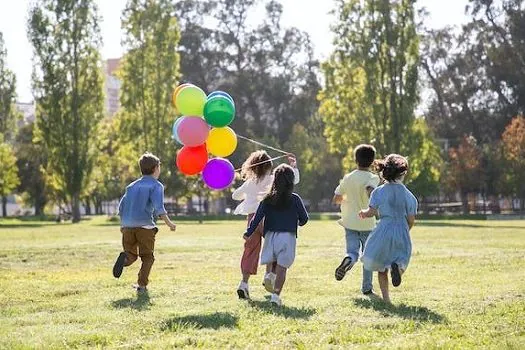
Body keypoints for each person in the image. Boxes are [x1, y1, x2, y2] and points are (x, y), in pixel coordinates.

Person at [232, 151, 300, 299]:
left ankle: (244, 283)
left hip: (252, 219)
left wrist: (248, 193)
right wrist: (293, 166)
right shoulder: (272, 180)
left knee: (250, 250)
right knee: (275, 247)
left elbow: (235, 195)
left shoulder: (249, 183)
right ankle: (269, 275)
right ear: (269, 166)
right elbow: (294, 181)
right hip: (269, 218)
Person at [244, 164, 309, 306]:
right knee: (282, 268)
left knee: (272, 260)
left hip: (270, 236)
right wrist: (297, 222)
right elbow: (304, 219)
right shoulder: (295, 199)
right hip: (288, 237)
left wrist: (248, 232)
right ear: (291, 181)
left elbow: (256, 218)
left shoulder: (267, 199)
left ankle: (269, 275)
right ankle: (275, 295)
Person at [112, 152, 177, 293]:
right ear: (155, 168)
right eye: (159, 166)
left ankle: (124, 259)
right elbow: (160, 208)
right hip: (145, 227)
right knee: (147, 257)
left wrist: (123, 225)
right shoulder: (156, 186)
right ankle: (142, 285)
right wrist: (170, 224)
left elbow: (121, 207)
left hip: (127, 226)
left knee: (131, 255)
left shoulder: (131, 186)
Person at [359, 154, 418, 304]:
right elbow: (411, 219)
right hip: (401, 229)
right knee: (402, 259)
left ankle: (386, 299)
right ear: (403, 173)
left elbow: (371, 212)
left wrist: (363, 213)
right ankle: (397, 270)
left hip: (383, 229)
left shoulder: (378, 192)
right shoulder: (409, 196)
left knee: (381, 266)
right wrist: (406, 229)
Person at [332, 144, 380, 295]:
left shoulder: (348, 177)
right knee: (368, 256)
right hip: (367, 222)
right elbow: (370, 190)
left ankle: (349, 260)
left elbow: (336, 198)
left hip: (349, 222)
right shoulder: (373, 177)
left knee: (352, 251)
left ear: (355, 160)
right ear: (372, 162)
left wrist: (347, 200)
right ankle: (367, 287)